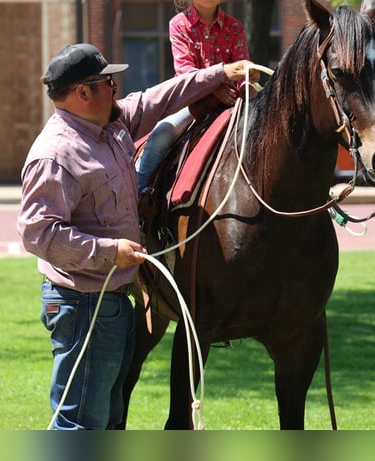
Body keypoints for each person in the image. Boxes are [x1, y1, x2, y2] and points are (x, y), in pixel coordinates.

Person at [17, 43, 251, 430]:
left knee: (108, 422)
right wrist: (111, 252)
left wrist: (219, 74)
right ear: (83, 92)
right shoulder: (57, 153)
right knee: (80, 425)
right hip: (82, 305)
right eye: (109, 81)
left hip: (108, 303)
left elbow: (157, 99)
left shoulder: (110, 125)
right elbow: (38, 233)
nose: (116, 88)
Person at [135, 0, 254, 193]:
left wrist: (246, 87)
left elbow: (242, 68)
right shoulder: (179, 25)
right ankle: (138, 195)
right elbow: (185, 72)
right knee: (162, 136)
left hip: (233, 103)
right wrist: (212, 89)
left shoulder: (234, 27)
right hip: (190, 103)